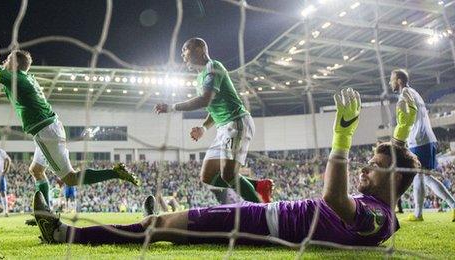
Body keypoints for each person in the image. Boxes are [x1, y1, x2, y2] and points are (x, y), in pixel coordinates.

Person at [34, 88, 420, 247]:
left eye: (374, 166)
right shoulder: (386, 213)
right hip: (266, 218)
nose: (365, 169)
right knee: (167, 223)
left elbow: (335, 198)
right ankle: (165, 218)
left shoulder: (377, 218)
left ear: (393, 180)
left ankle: (68, 235)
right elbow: (394, 176)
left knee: (159, 229)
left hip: (260, 224)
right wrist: (400, 135)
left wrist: (342, 138)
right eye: (369, 161)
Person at [0, 35, 140, 218]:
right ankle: (45, 213)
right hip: (49, 128)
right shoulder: (24, 78)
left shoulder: (17, 80)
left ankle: (115, 173)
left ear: (16, 65)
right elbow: (3, 78)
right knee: (36, 170)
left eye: (9, 59)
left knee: (70, 179)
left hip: (46, 133)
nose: (5, 60)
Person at [154, 38, 272, 203]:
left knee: (228, 174)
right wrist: (203, 128)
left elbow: (205, 100)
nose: (182, 55)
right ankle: (259, 186)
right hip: (224, 127)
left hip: (237, 122)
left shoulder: (213, 67)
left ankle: (265, 214)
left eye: (185, 50)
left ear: (200, 49)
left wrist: (171, 108)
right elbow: (213, 109)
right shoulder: (200, 79)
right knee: (207, 176)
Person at [389, 69, 455, 222]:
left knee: (421, 175)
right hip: (423, 139)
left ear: (399, 81)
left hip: (419, 140)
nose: (390, 82)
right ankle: (420, 213)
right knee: (421, 176)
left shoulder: (405, 94)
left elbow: (406, 120)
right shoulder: (413, 92)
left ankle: (423, 213)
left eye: (392, 79)